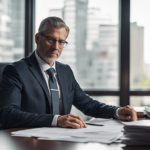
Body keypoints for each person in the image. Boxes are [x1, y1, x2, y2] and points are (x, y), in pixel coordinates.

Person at [0, 17, 137, 129]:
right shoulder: (16, 71)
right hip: (28, 143)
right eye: (50, 39)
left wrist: (117, 112)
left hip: (63, 142)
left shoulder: (65, 71)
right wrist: (56, 120)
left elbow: (88, 105)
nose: (55, 47)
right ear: (37, 38)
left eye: (61, 42)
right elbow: (7, 115)